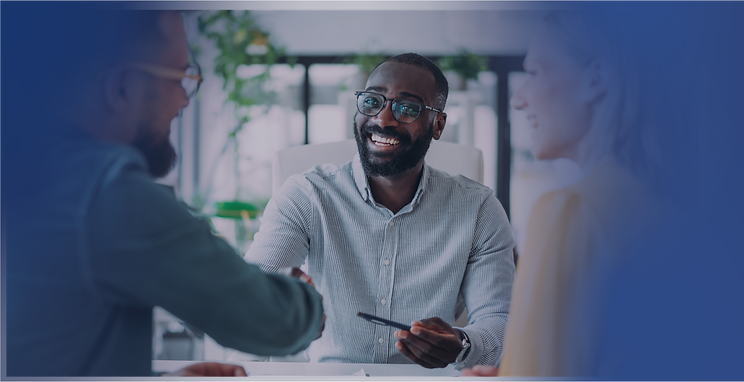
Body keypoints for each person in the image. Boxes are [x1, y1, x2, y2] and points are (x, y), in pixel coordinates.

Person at [6, 10, 325, 377]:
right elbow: (277, 322)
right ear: (122, 88)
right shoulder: (107, 191)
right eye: (181, 78)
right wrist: (306, 302)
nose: (185, 101)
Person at [243, 53, 516, 370]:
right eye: (373, 101)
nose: (383, 120)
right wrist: (272, 300)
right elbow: (250, 297)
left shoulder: (479, 209)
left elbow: (500, 320)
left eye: (407, 108)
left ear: (438, 124)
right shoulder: (307, 195)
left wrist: (463, 345)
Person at [460, 10, 667, 377]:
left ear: (596, 79)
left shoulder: (571, 210)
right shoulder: (661, 202)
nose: (519, 99)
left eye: (536, 72)